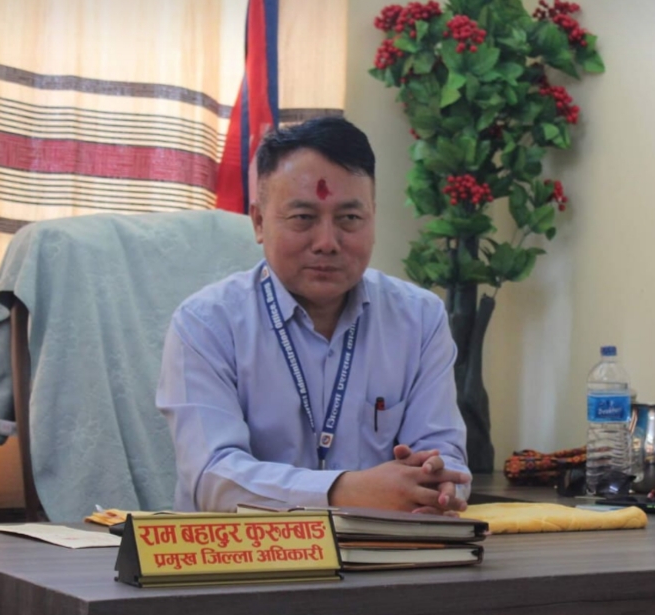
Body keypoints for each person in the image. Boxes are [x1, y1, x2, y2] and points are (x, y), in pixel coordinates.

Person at [157, 116, 471, 515]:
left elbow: (445, 455)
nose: (327, 242)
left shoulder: (420, 319)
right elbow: (214, 480)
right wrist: (344, 491)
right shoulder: (206, 324)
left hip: (387, 547)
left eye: (349, 219)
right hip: (246, 551)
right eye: (303, 218)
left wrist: (438, 486)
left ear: (373, 218)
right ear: (258, 221)